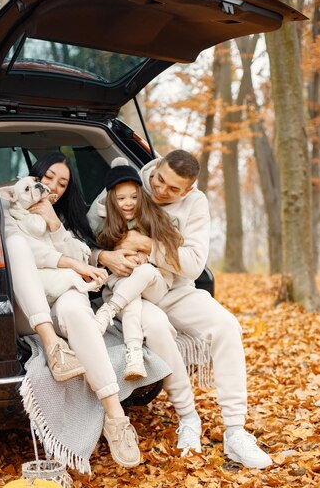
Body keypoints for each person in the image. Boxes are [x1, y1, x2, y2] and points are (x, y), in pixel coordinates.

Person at [88, 150, 273, 469]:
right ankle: (188, 419)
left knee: (226, 326)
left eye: (173, 189)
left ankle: (235, 431)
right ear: (156, 167)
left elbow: (193, 264)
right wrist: (103, 257)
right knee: (157, 327)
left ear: (187, 191)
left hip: (175, 287)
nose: (160, 190)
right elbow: (83, 239)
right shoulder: (128, 187)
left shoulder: (195, 204)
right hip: (134, 294)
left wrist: (148, 246)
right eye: (159, 180)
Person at [0, 152, 141, 468]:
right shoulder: (10, 208)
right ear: (35, 177)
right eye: (48, 178)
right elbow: (29, 251)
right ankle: (52, 345)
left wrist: (54, 224)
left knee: (77, 310)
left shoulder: (63, 217)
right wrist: (70, 262)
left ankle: (115, 418)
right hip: (30, 311)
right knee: (19, 246)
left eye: (62, 183)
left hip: (63, 293)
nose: (53, 186)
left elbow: (84, 255)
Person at [93, 161, 183, 383]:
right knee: (131, 298)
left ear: (141, 195)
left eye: (133, 197)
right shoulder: (106, 226)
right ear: (112, 199)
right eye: (121, 198)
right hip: (125, 286)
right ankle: (134, 355)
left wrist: (147, 253)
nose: (128, 203)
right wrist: (122, 256)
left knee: (141, 272)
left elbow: (174, 245)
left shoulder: (153, 218)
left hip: (154, 283)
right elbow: (101, 254)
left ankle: (108, 311)